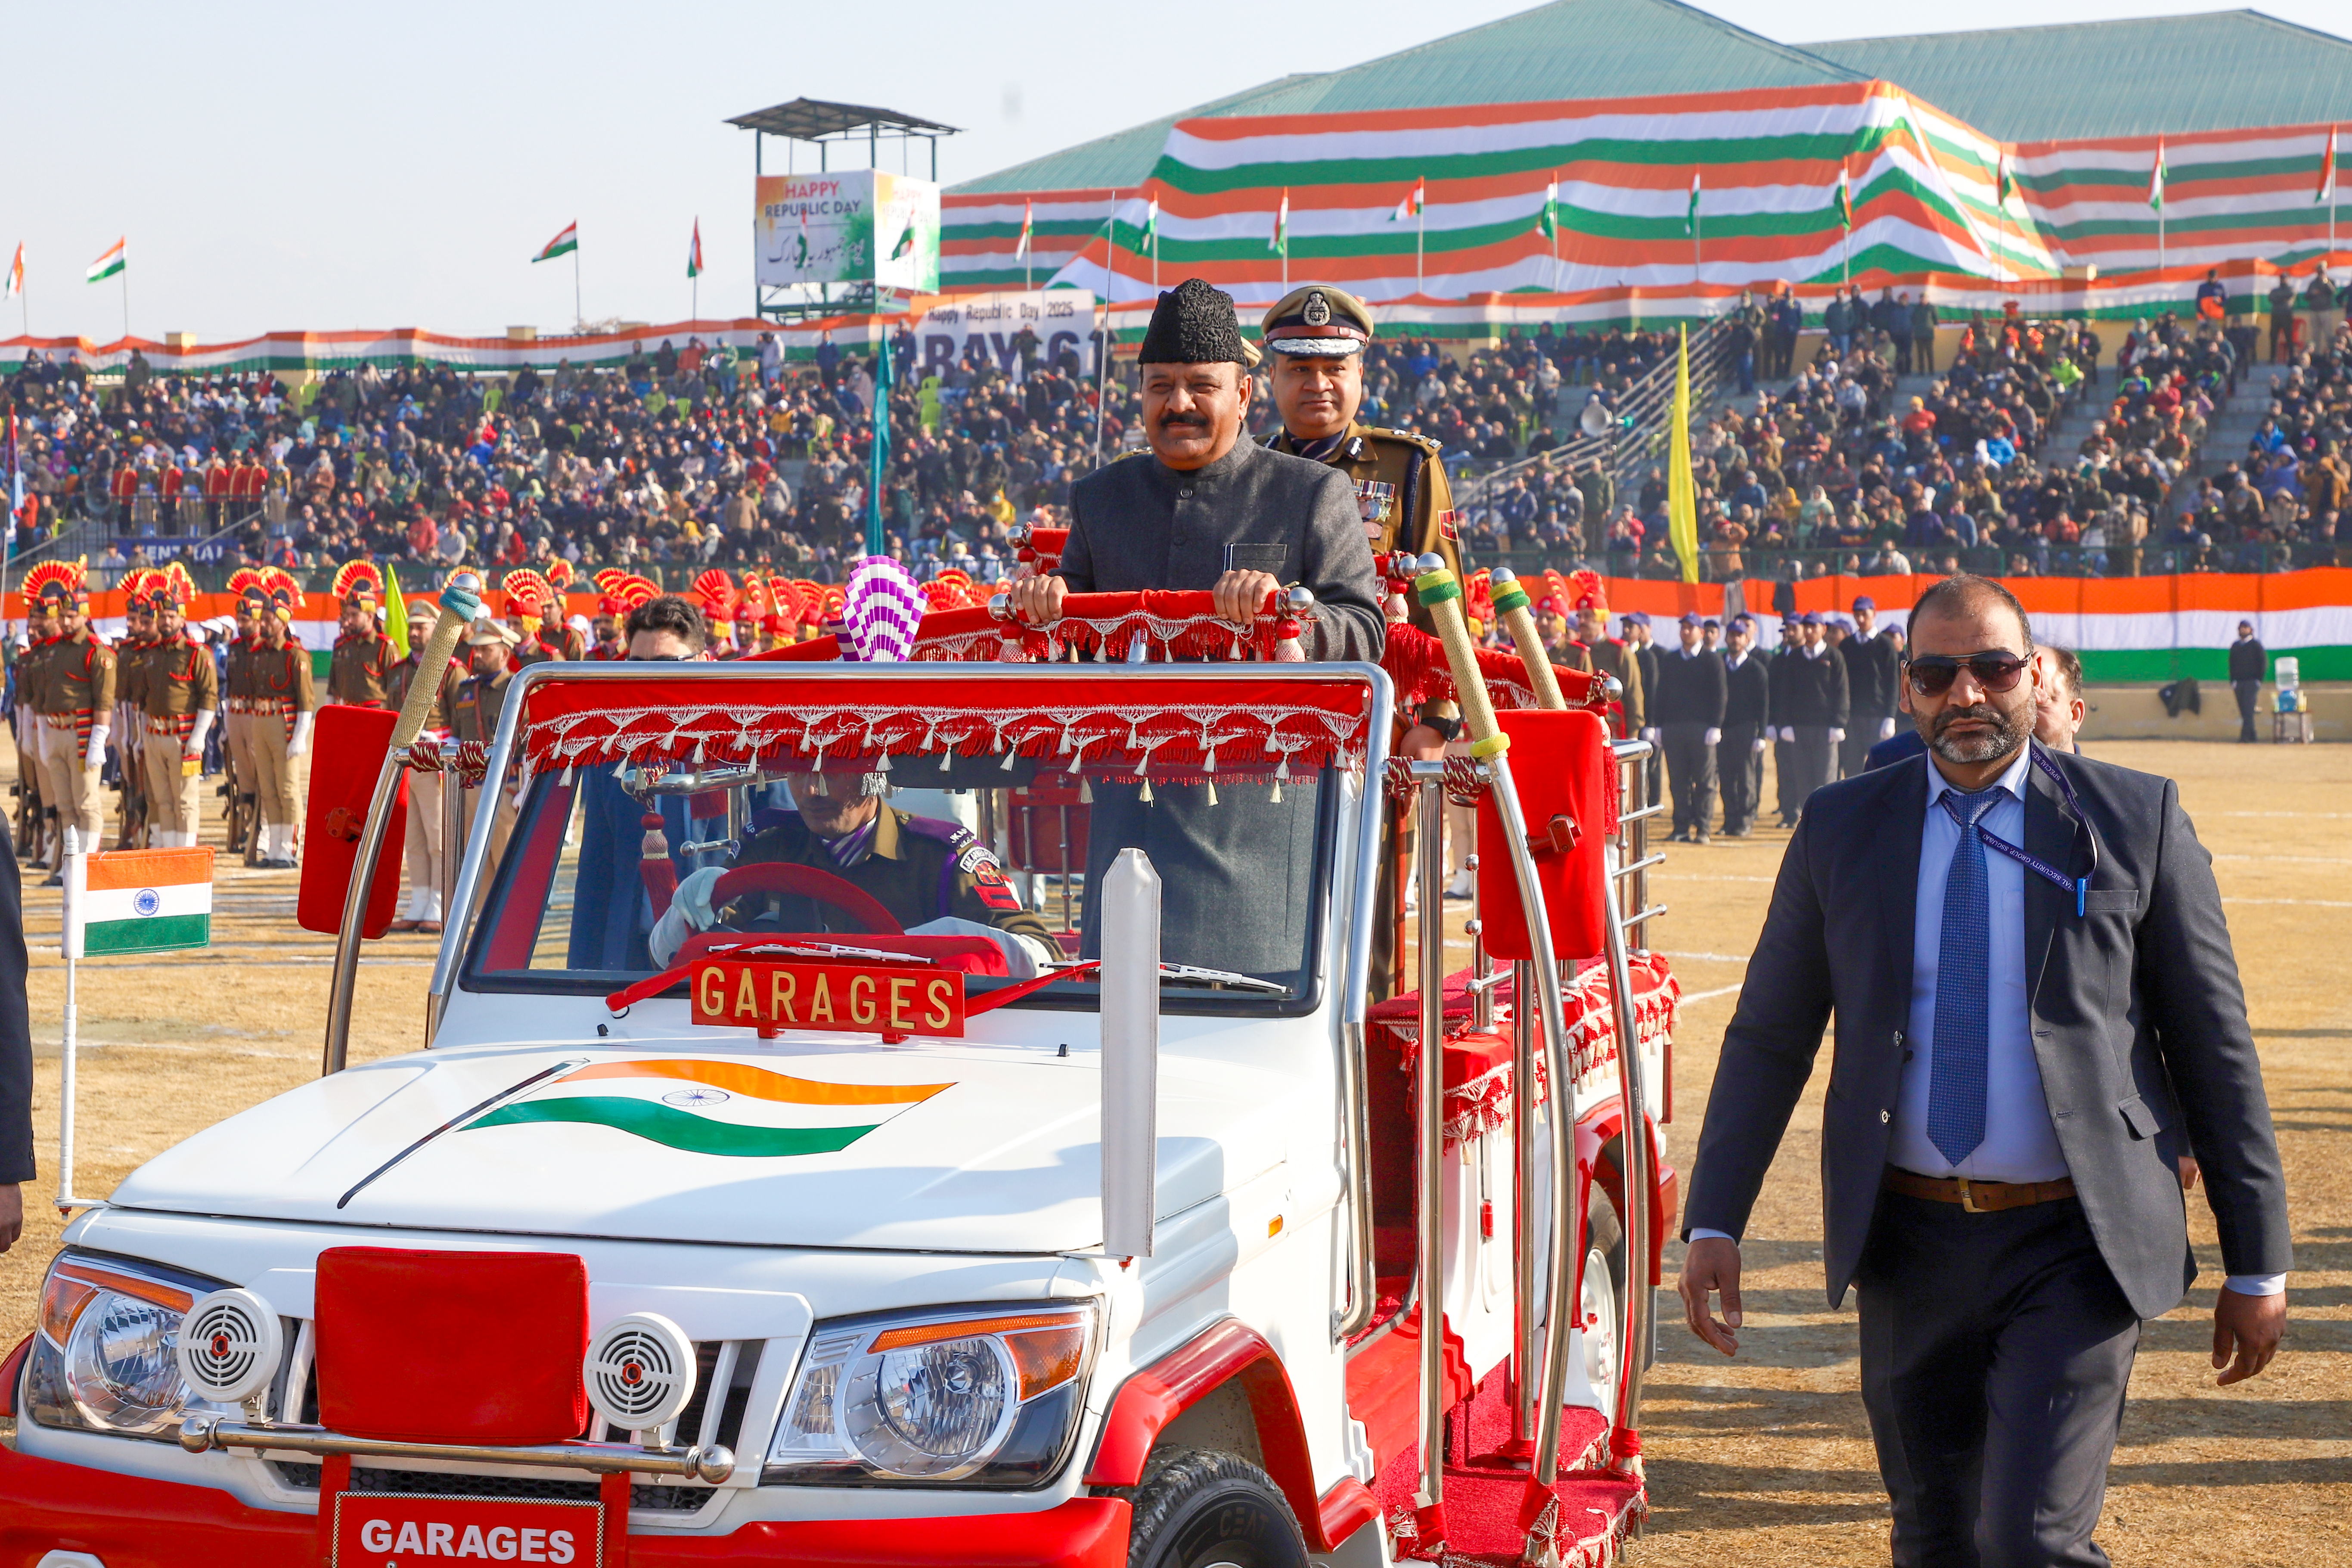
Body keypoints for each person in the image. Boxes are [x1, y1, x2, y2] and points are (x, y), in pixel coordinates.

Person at [1680, 573, 2290, 1568]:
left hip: (2076, 1239)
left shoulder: (2134, 818)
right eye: (1937, 673)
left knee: (2030, 1542)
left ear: (2034, 673)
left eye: (1993, 668)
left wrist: (2256, 1260)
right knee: (1932, 1538)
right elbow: (1767, 1036)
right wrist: (1715, 1218)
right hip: (1906, 1240)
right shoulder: (1841, 826)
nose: (1966, 695)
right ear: (1906, 686)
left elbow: (2211, 1044)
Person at [1009, 277, 1382, 975]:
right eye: (1160, 387)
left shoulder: (1309, 494)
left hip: (1260, 847)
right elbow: (1072, 649)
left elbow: (1365, 630)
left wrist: (1286, 611)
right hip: (1125, 836)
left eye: (1200, 386)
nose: (1178, 404)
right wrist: (1045, 606)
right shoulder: (1101, 498)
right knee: (1115, 1045)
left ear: (1243, 394)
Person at [1256, 283, 1461, 994]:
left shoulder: (1406, 468)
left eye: (1334, 368)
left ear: (1360, 375)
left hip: (1375, 736)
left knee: (1367, 934)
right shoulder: (1244, 475)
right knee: (1269, 921)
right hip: (1269, 738)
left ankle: (1367, 1095)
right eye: (1300, 369)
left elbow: (1446, 613)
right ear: (1271, 379)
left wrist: (1435, 723)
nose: (1318, 384)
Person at [23, 562, 114, 881]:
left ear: (85, 615)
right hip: (57, 731)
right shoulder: (53, 650)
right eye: (62, 615)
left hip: (82, 733)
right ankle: (69, 865)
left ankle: (86, 868)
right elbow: (45, 698)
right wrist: (45, 737)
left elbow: (104, 700)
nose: (65, 620)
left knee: (86, 803)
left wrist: (98, 742)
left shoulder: (96, 650)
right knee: (65, 805)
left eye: (71, 615)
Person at [389, 596, 466, 935]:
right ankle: (419, 900)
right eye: (412, 627)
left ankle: (439, 901)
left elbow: (462, 719)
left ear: (436, 629)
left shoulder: (452, 670)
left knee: (439, 837)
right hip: (407, 759)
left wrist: (443, 741)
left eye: (422, 627)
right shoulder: (399, 670)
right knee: (414, 839)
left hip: (436, 760)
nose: (415, 633)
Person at [133, 570, 217, 848]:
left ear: (182, 619)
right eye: (163, 616)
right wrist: (141, 737)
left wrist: (199, 736)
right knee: (162, 798)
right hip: (154, 735)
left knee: (185, 799)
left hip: (183, 738)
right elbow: (143, 700)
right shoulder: (152, 654)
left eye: (172, 616)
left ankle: (187, 852)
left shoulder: (197, 653)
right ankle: (169, 852)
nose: (167, 621)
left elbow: (209, 696)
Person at [248, 569, 316, 869]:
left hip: (284, 723)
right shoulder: (259, 653)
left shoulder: (295, 655)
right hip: (261, 721)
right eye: (263, 619)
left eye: (269, 619)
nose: (263, 624)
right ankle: (274, 847)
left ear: (284, 619)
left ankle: (289, 848)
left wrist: (300, 736)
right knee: (268, 788)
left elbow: (306, 701)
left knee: (288, 789)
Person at [1651, 612, 1725, 844]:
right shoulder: (1671, 660)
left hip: (1702, 730)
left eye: (1690, 628)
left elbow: (1720, 694)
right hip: (1674, 729)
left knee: (1704, 781)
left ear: (1701, 633)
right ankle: (1681, 827)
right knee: (1678, 781)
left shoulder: (1712, 660)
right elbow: (1660, 694)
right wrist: (1659, 725)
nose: (1685, 631)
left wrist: (1716, 725)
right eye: (1683, 627)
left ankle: (1703, 828)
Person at [1773, 613, 1846, 820]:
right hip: (1800, 728)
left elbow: (1842, 691)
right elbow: (1786, 692)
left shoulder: (1834, 657)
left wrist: (1839, 723)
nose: (1809, 631)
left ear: (1823, 629)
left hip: (1826, 729)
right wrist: (1786, 724)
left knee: (1826, 778)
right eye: (1806, 627)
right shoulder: (1795, 657)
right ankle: (1809, 822)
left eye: (1813, 627)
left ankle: (1828, 820)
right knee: (1803, 778)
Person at [1838, 595, 1901, 779]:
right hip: (1853, 716)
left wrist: (1890, 716)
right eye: (1857, 615)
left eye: (1864, 614)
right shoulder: (1847, 645)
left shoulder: (1885, 645)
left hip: (1878, 716)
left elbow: (1892, 682)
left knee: (1880, 765)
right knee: (1852, 766)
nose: (1861, 619)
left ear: (1874, 614)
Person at [1719, 614, 1770, 837]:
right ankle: (1729, 820)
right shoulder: (1720, 666)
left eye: (1740, 635)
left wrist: (1762, 734)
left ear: (1747, 638)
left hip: (1747, 729)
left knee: (1746, 776)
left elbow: (1764, 704)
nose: (1735, 640)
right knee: (1726, 777)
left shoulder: (1756, 669)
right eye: (1732, 635)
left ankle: (1745, 820)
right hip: (1724, 730)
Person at [327, 561, 395, 708]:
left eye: (355, 615)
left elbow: (395, 691)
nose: (348, 621)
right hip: (346, 714)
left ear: (370, 617)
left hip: (375, 716)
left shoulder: (384, 647)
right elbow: (332, 688)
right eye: (347, 615)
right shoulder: (341, 645)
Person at [2227, 619, 2265, 743]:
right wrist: (2233, 681)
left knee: (2249, 710)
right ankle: (2253, 737)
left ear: (2251, 630)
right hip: (2239, 683)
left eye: (2246, 627)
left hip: (2252, 682)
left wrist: (2259, 680)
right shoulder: (2236, 646)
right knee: (2244, 711)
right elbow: (2231, 664)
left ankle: (2244, 738)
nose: (2243, 630)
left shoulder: (2256, 645)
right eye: (2241, 628)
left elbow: (2263, 663)